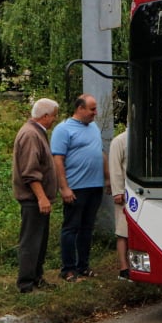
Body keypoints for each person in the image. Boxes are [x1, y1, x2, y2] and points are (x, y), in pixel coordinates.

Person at [52, 94, 109, 281]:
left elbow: (100, 153)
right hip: (76, 187)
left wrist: (107, 178)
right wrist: (64, 188)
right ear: (80, 108)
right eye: (92, 109)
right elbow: (58, 160)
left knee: (87, 228)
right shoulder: (63, 129)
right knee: (71, 228)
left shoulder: (93, 127)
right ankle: (68, 269)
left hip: (95, 186)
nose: (95, 113)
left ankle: (83, 266)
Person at [11, 98, 60, 294]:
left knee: (39, 241)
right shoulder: (31, 135)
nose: (55, 119)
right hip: (33, 200)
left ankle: (37, 277)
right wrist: (41, 197)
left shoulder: (36, 132)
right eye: (54, 115)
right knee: (31, 241)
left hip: (38, 199)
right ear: (45, 116)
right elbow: (30, 172)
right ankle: (26, 284)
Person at [108, 128, 130, 281]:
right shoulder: (119, 141)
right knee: (122, 231)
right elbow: (115, 167)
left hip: (141, 191)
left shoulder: (146, 140)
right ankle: (124, 267)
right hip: (124, 192)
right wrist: (117, 191)